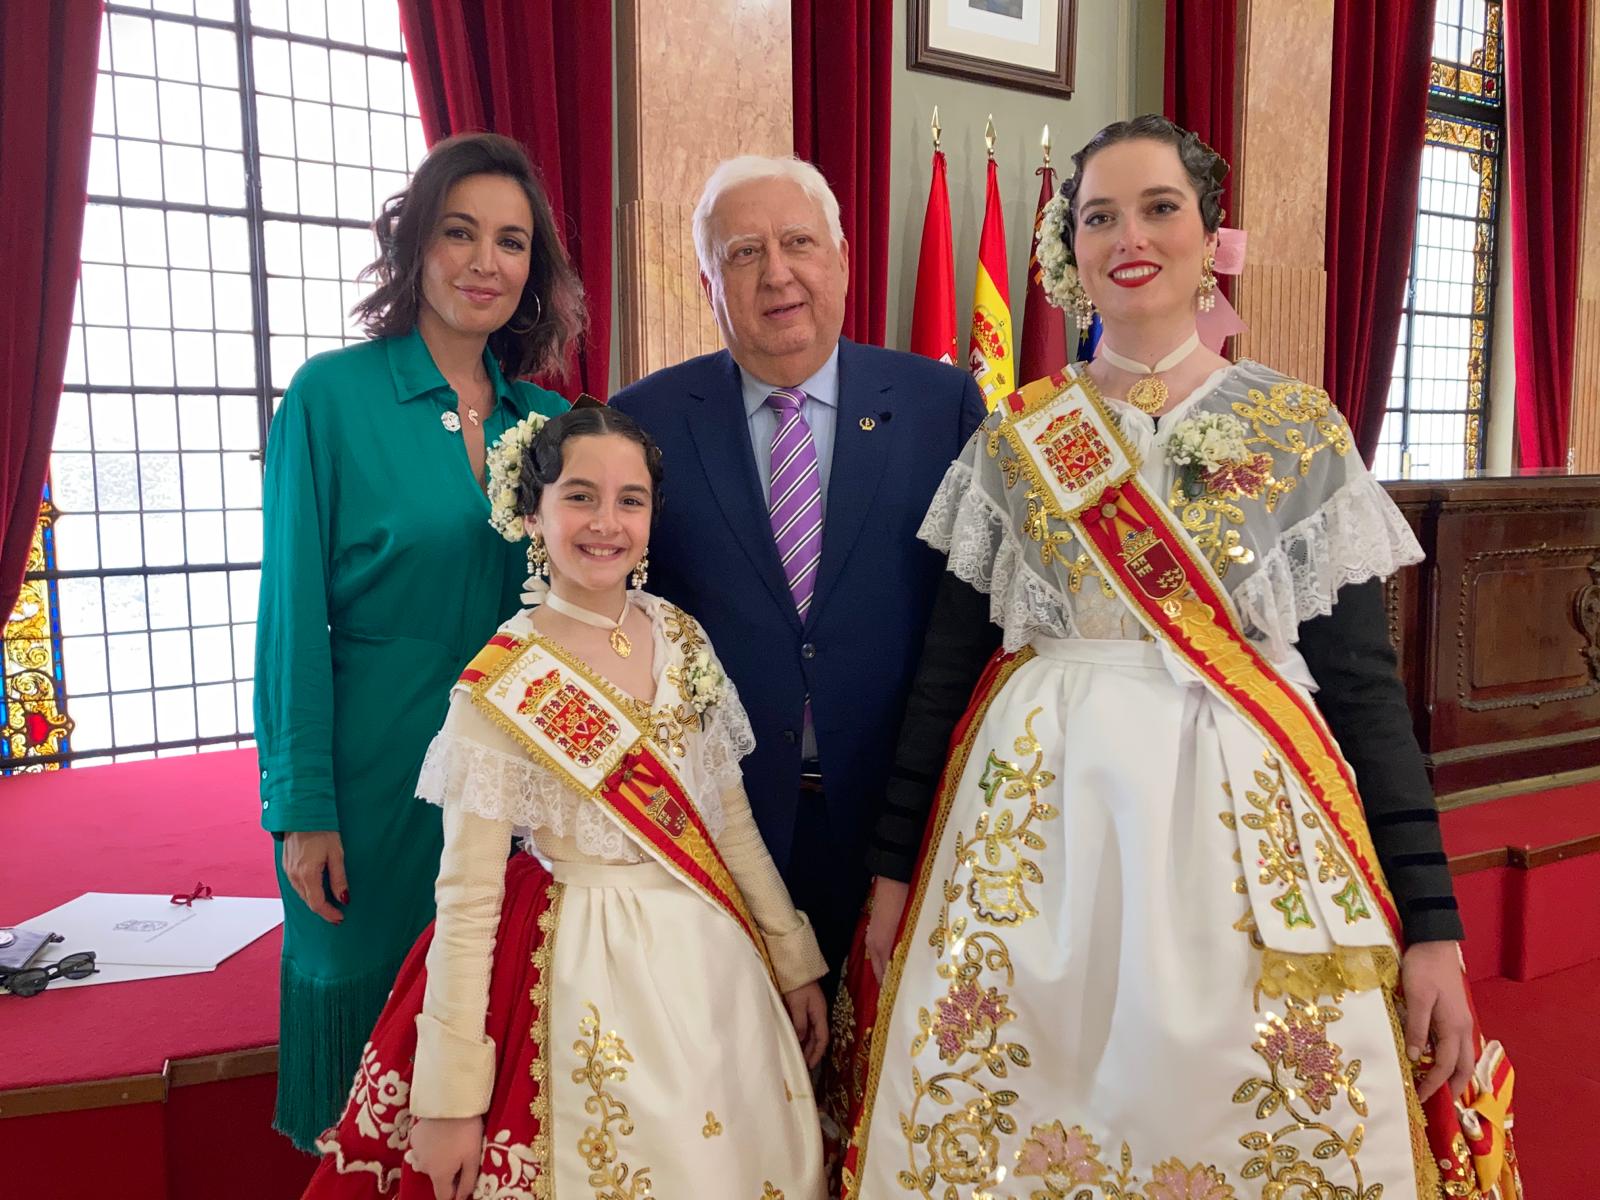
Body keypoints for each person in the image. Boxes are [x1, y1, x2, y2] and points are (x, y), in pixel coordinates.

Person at [838, 116, 1520, 1199]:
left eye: (1159, 208)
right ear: (1072, 250)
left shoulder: (1298, 428)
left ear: (1211, 240)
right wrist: (890, 868)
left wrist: (1430, 921)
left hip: (1247, 833)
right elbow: (941, 673)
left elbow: (1361, 691)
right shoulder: (1015, 438)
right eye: (1098, 215)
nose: (1129, 236)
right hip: (1037, 830)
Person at [303, 404, 830, 1200]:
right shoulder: (502, 682)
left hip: (714, 967)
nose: (606, 523)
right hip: (581, 970)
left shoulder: (681, 637)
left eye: (631, 500)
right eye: (579, 496)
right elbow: (468, 901)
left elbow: (730, 821)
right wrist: (448, 1102)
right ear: (530, 512)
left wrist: (793, 959)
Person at [255, 132, 577, 1150]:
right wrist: (299, 805)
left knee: (489, 1029)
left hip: (517, 776)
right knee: (370, 1033)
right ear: (413, 248)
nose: (486, 262)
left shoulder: (556, 420)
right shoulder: (332, 397)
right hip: (372, 764)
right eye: (460, 233)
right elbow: (289, 614)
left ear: (534, 271)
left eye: (512, 242)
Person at [609, 156, 986, 987]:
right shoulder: (642, 421)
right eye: (743, 253)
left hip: (899, 827)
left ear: (842, 260)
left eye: (798, 244)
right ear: (708, 280)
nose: (776, 273)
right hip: (721, 828)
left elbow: (972, 629)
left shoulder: (941, 406)